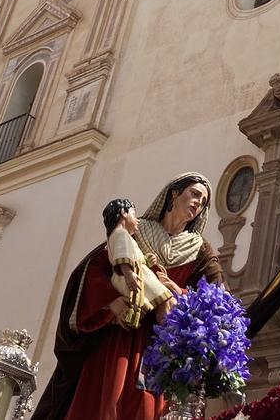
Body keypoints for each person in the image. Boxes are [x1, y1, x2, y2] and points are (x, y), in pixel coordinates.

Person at [31, 173, 223, 420]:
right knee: (108, 402)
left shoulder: (201, 250)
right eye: (195, 194)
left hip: (159, 345)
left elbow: (216, 300)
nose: (198, 203)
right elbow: (91, 270)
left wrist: (176, 291)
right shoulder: (135, 229)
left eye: (204, 201)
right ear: (174, 194)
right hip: (119, 339)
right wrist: (111, 302)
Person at [103, 198, 172, 329]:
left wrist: (146, 260)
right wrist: (129, 275)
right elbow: (123, 257)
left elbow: (129, 255)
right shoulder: (121, 234)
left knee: (150, 304)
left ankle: (132, 317)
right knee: (166, 300)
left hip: (129, 274)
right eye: (134, 215)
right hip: (136, 276)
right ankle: (168, 333)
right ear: (124, 213)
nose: (138, 220)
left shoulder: (115, 236)